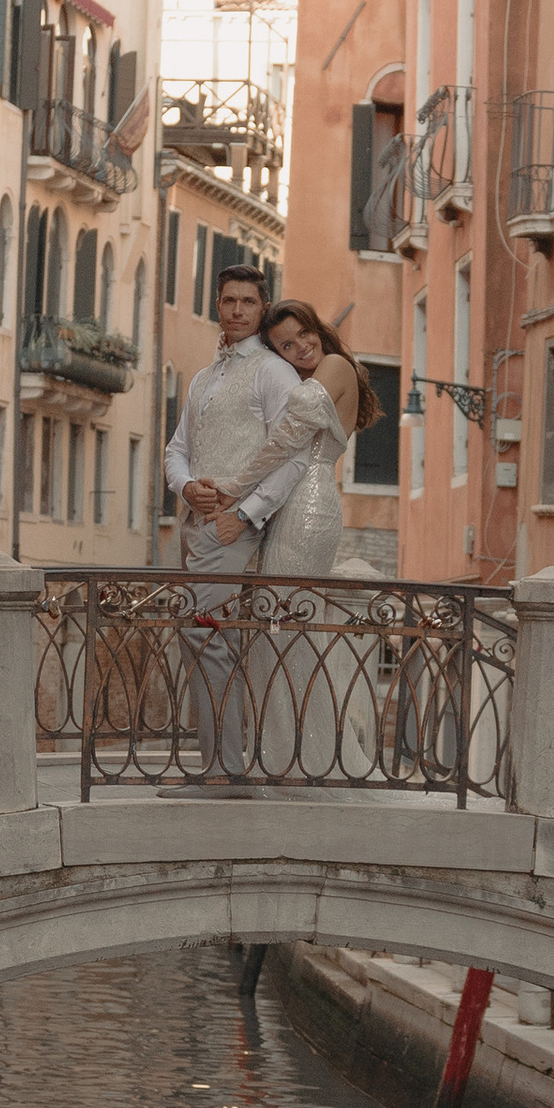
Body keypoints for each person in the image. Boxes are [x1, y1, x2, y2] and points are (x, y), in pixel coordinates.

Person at [205, 304, 383, 780]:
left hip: (309, 505)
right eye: (287, 344)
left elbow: (286, 438)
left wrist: (233, 489)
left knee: (286, 630)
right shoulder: (313, 372)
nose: (302, 346)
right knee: (277, 630)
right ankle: (284, 752)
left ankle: (306, 759)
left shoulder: (335, 365)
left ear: (318, 330)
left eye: (305, 334)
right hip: (292, 502)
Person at [162, 261, 299, 788]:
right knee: (196, 633)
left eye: (247, 302)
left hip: (235, 526)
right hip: (194, 521)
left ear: (262, 309)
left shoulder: (272, 371)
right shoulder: (202, 378)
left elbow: (291, 455)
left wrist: (244, 515)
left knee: (203, 631)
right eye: (228, 301)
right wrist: (184, 485)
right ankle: (217, 763)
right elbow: (177, 449)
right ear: (216, 305)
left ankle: (225, 768)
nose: (237, 310)